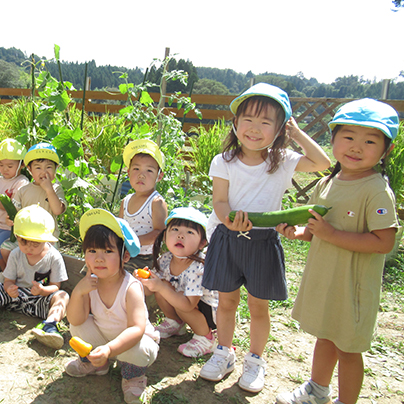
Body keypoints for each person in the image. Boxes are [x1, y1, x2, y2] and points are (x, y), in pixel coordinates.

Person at [200, 83, 331, 393]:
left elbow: (323, 163)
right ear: (235, 123)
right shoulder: (225, 161)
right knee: (227, 302)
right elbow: (220, 201)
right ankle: (224, 352)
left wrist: (297, 134)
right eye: (247, 119)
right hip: (228, 238)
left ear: (280, 128)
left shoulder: (283, 160)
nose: (254, 129)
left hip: (263, 242)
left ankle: (255, 359)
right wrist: (229, 221)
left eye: (265, 122)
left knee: (259, 307)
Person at [275, 98, 399, 404]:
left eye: (370, 140)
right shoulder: (328, 183)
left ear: (386, 150)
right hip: (326, 280)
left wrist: (330, 234)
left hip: (353, 288)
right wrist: (299, 233)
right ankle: (317, 389)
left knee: (348, 349)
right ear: (333, 140)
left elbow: (384, 242)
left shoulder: (376, 190)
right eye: (348, 137)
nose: (356, 147)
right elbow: (319, 233)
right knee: (325, 336)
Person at [65, 208, 159, 404]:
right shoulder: (90, 283)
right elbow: (76, 319)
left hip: (135, 342)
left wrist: (108, 349)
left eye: (108, 251)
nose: (99, 258)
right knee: (77, 327)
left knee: (138, 350)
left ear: (125, 257)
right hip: (106, 337)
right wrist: (78, 292)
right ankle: (97, 365)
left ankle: (133, 376)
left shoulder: (131, 287)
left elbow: (136, 329)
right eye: (92, 251)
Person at [138, 207, 219, 357]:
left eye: (190, 232)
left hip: (209, 311)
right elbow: (151, 290)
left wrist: (161, 287)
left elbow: (188, 304)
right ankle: (175, 323)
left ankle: (206, 338)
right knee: (164, 285)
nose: (180, 236)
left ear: (202, 243)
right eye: (175, 229)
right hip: (185, 303)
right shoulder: (166, 259)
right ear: (165, 235)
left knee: (176, 296)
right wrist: (144, 282)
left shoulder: (199, 267)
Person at [0, 204, 69, 349]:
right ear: (17, 237)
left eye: (35, 244)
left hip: (39, 301)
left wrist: (43, 290)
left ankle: (50, 325)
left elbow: (56, 286)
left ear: (46, 240)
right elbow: (8, 281)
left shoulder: (54, 257)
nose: (28, 248)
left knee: (63, 296)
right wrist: (9, 288)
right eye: (23, 242)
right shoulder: (15, 254)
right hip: (16, 296)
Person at [1, 142, 66, 263]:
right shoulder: (24, 190)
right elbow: (15, 211)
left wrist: (48, 189)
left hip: (46, 238)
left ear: (56, 169)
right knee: (5, 249)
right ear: (30, 170)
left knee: (48, 257)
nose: (43, 172)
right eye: (38, 168)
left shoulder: (56, 189)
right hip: (25, 237)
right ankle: (10, 277)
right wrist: (9, 219)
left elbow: (57, 210)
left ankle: (45, 278)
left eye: (49, 167)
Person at [119, 138, 167, 273]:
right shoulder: (126, 201)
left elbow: (160, 233)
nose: (141, 175)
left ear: (159, 176)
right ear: (128, 173)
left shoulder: (156, 202)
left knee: (123, 275)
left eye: (149, 171)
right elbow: (120, 228)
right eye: (136, 169)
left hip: (144, 257)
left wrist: (132, 242)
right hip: (124, 253)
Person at [0, 139, 29, 270]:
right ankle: (3, 274)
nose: (4, 169)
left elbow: (11, 206)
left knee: (2, 247)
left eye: (10, 166)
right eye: (1, 165)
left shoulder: (22, 182)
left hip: (10, 228)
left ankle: (9, 275)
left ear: (21, 165)